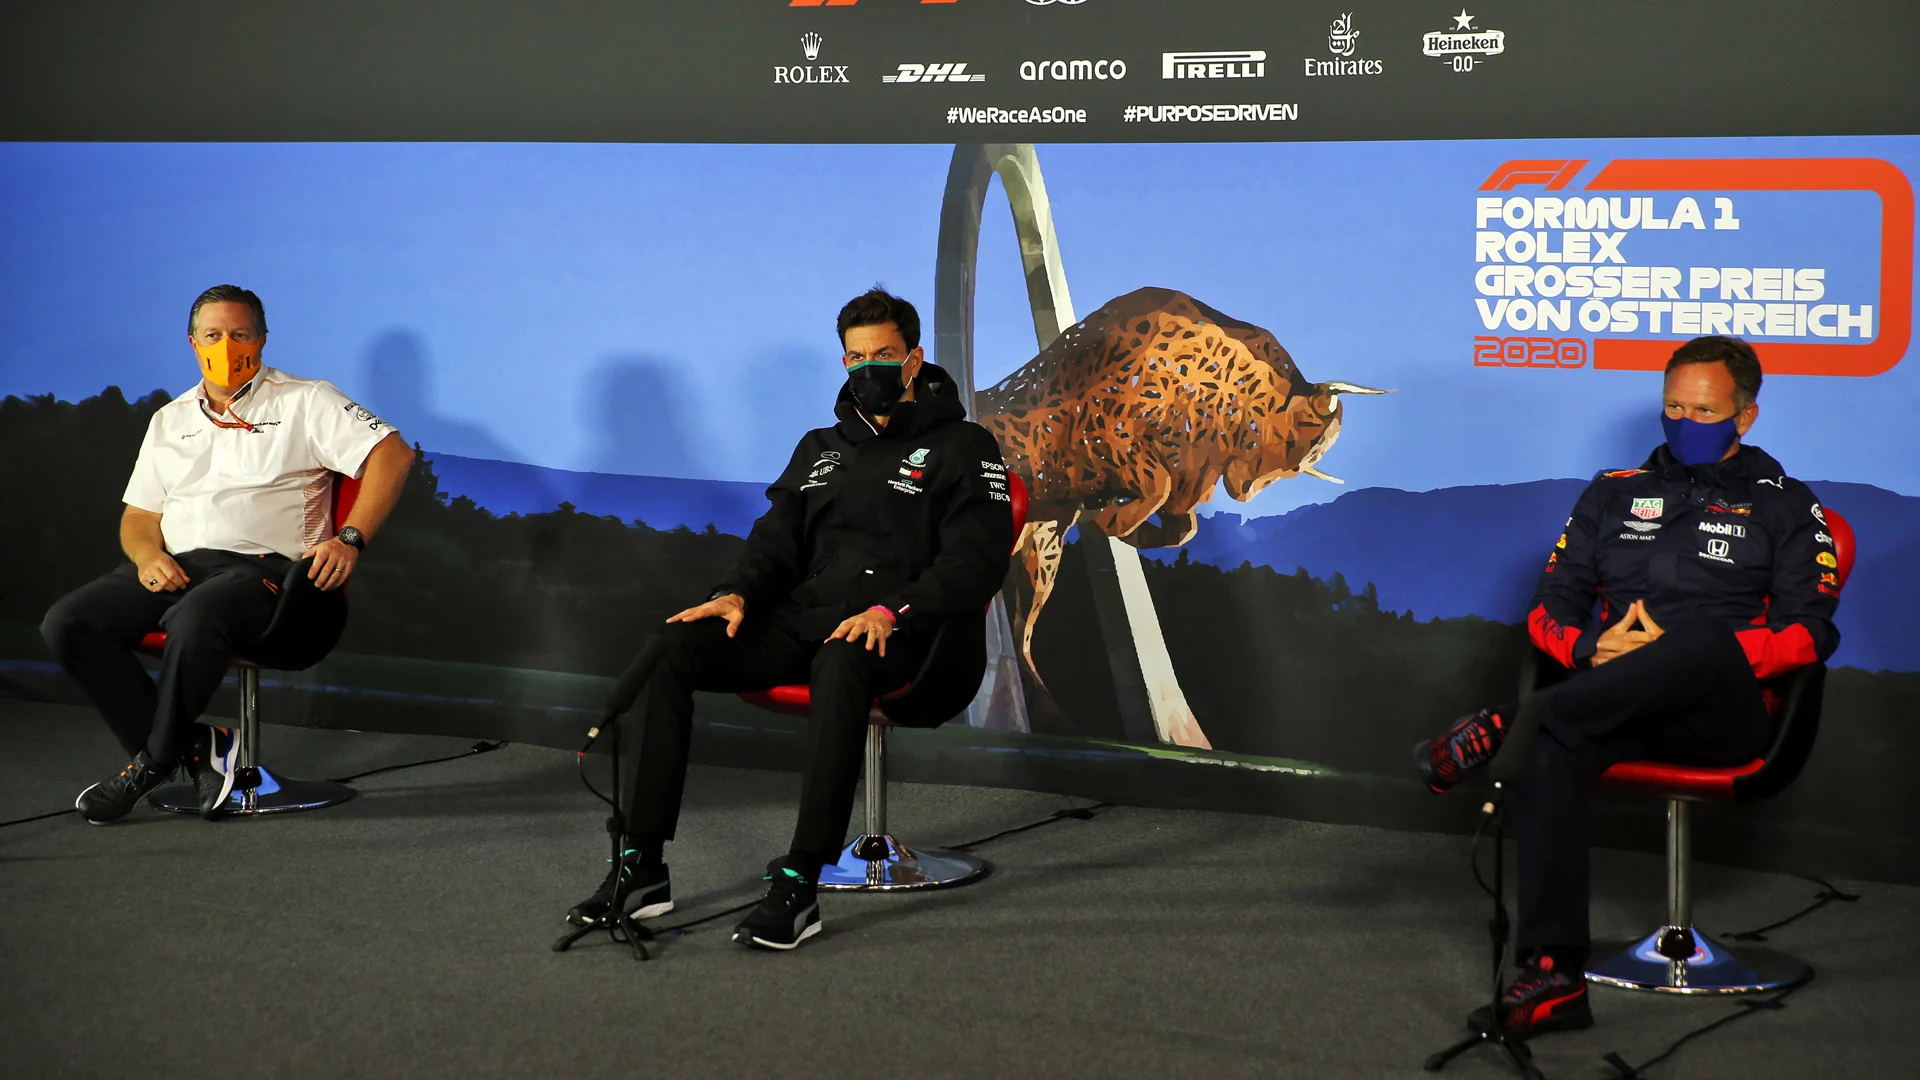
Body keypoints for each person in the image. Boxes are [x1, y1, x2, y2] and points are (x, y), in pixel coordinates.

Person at [1414, 336, 1838, 1036]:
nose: (1683, 423)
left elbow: (1809, 635)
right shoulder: (1612, 494)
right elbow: (1552, 605)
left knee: (1698, 638)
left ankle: (1503, 721)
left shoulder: (1787, 507)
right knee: (1555, 743)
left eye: (1702, 411)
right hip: (1612, 701)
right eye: (1672, 406)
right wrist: (1588, 647)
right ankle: (1554, 979)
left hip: (1722, 715)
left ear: (1746, 417)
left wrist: (1695, 653)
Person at [569, 288, 1013, 950]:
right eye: (856, 358)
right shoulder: (819, 448)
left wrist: (892, 609)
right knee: (674, 646)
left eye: (885, 356)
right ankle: (642, 867)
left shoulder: (965, 445)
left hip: (915, 637)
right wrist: (737, 593)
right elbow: (774, 542)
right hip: (808, 622)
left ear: (914, 359)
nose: (870, 370)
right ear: (843, 363)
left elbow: (976, 564)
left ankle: (800, 882)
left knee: (843, 657)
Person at [41, 285, 414, 822]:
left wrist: (350, 537)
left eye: (240, 334)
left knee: (199, 613)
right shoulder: (169, 419)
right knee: (68, 622)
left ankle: (150, 764)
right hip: (182, 566)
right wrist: (147, 557)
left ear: (261, 340)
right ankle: (198, 750)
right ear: (193, 343)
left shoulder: (306, 399)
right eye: (213, 335)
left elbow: (393, 455)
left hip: (273, 576)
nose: (226, 345)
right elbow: (140, 517)